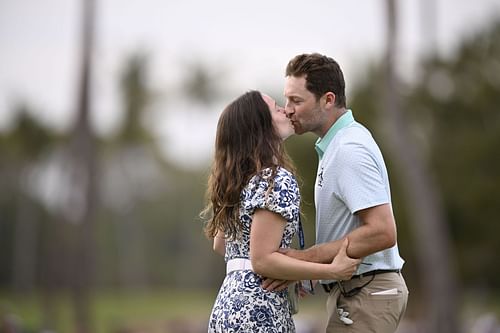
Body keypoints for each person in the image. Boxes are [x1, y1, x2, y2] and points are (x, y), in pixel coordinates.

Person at [202, 90, 360, 333]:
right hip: (258, 308)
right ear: (260, 126)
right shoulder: (275, 179)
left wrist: (284, 269)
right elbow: (262, 259)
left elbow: (221, 245)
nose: (285, 110)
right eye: (276, 108)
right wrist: (331, 270)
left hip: (228, 304)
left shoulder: (238, 180)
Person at [278, 53, 409, 332]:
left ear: (328, 100)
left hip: (368, 292)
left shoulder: (348, 149)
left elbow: (383, 231)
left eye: (296, 101)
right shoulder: (336, 145)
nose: (287, 109)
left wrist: (305, 258)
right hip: (358, 293)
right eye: (287, 99)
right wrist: (312, 272)